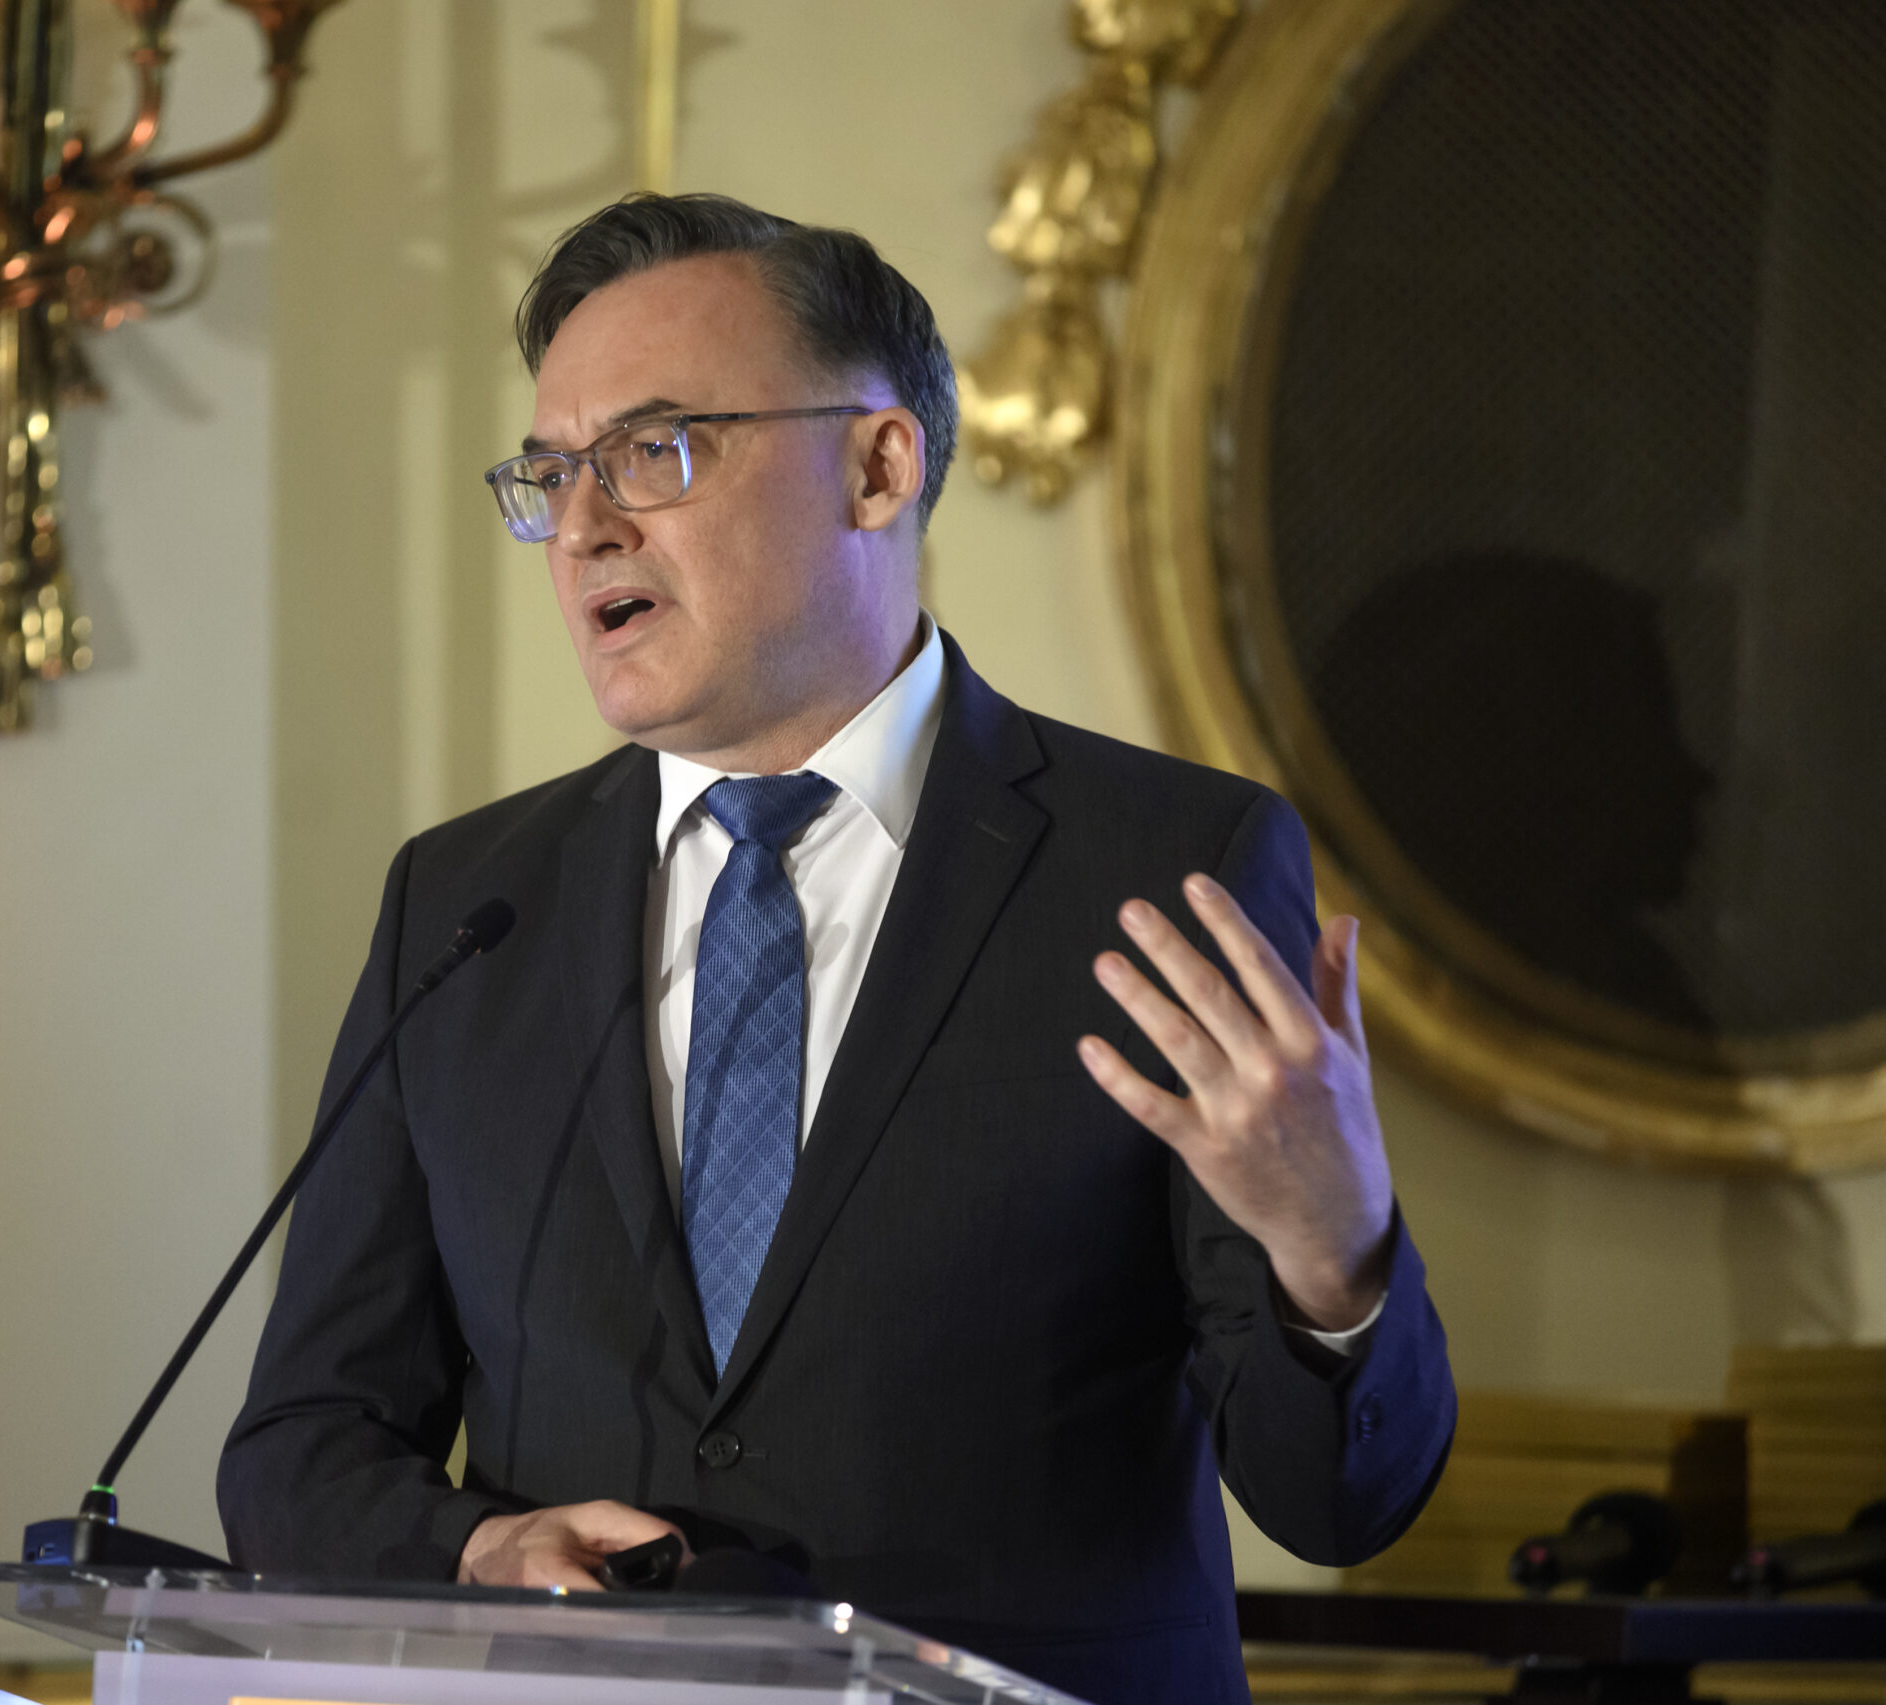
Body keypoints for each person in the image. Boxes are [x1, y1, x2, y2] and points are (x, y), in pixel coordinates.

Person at [218, 194, 1454, 1705]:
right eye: (552, 473)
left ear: (877, 466)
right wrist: (479, 1550)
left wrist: (1334, 1252)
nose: (585, 526)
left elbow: (1337, 1504)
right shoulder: (470, 902)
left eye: (653, 452)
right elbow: (301, 1450)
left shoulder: (1162, 863)